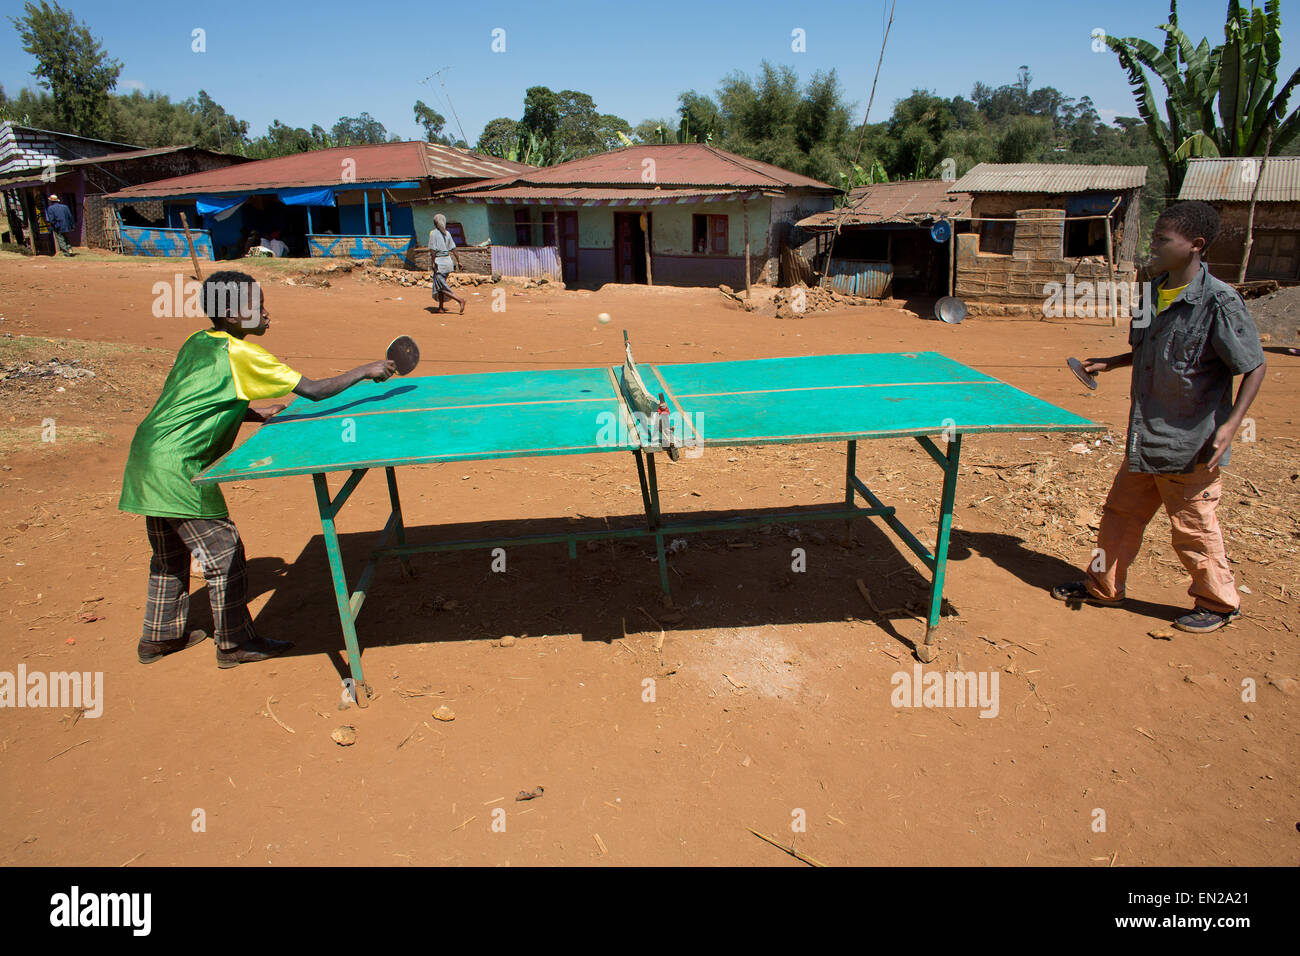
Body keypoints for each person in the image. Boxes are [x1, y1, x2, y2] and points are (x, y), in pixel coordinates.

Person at [119, 270, 397, 668]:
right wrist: (365, 370)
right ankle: (234, 643)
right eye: (259, 305)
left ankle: (160, 637)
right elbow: (315, 391)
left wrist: (253, 412)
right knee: (224, 553)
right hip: (178, 467)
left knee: (170, 556)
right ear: (232, 314)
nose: (268, 313)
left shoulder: (199, 341)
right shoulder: (244, 354)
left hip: (147, 458)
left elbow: (198, 397)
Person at [1052, 201, 1267, 633]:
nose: (1152, 246)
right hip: (1144, 437)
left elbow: (1254, 365)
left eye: (1162, 240)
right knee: (1119, 515)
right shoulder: (1152, 292)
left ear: (1195, 245)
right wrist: (1111, 362)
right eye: (1153, 237)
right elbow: (1148, 349)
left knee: (1193, 529)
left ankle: (1219, 603)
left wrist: (1230, 425)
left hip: (1191, 444)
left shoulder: (1220, 303)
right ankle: (1103, 586)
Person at [428, 214, 465, 314]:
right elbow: (454, 248)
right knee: (440, 285)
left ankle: (459, 300)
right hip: (448, 262)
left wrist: (432, 262)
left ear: (435, 223)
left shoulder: (433, 234)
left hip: (440, 263)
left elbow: (433, 251)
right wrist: (459, 261)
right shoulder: (447, 233)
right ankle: (440, 308)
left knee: (441, 286)